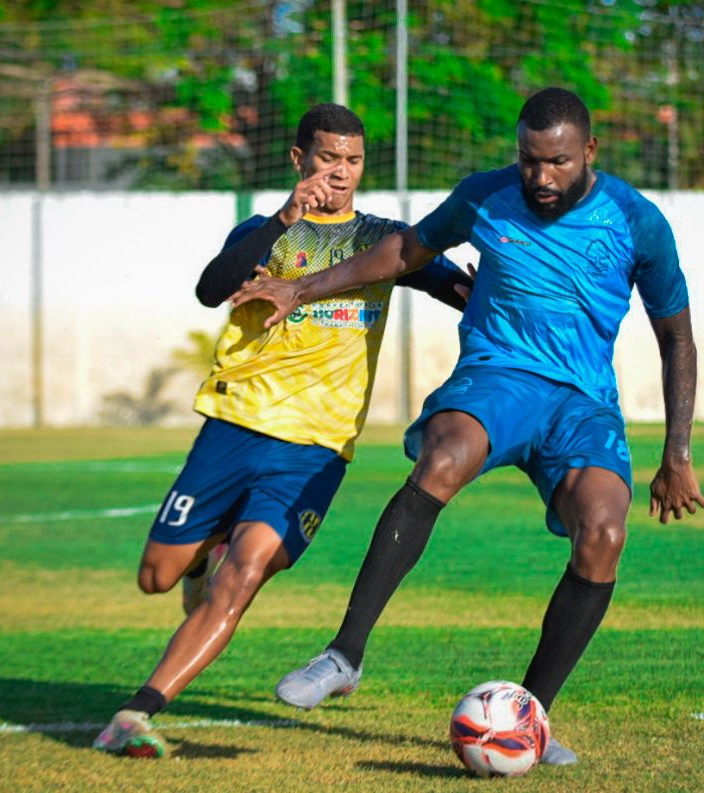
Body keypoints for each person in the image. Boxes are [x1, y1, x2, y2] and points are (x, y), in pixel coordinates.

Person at [230, 87, 704, 766]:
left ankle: (532, 717)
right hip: (497, 375)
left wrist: (677, 451)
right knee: (443, 458)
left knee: (603, 530)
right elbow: (403, 252)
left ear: (589, 152)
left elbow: (676, 338)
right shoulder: (484, 194)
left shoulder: (637, 220)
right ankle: (344, 654)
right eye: (528, 161)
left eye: (558, 163)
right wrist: (298, 287)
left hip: (582, 403)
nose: (540, 179)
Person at [91, 103, 471, 758]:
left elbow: (454, 288)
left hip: (316, 449)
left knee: (244, 572)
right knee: (156, 576)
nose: (342, 173)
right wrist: (284, 218)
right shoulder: (260, 231)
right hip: (233, 428)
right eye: (328, 158)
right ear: (299, 160)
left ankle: (137, 711)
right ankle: (196, 562)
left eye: (352, 160)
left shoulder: (382, 238)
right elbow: (211, 290)